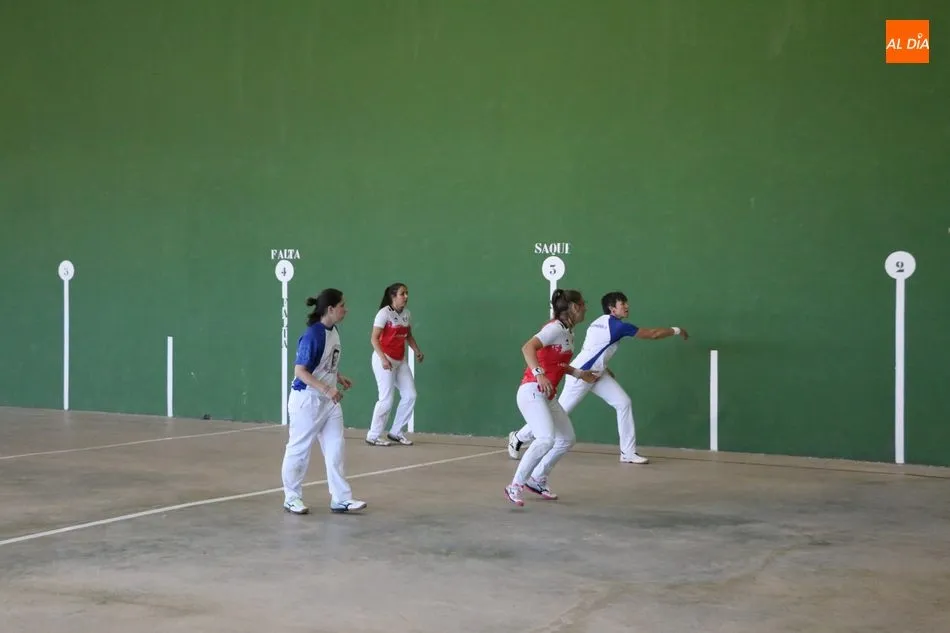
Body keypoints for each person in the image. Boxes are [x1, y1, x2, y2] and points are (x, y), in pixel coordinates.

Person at [506, 291, 688, 465]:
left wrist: (604, 368)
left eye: (626, 303)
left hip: (596, 374)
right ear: (612, 308)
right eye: (622, 303)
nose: (627, 306)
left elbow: (595, 349)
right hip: (580, 375)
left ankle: (628, 452)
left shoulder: (598, 323)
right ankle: (518, 437)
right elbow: (653, 334)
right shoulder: (618, 326)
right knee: (560, 414)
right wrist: (677, 330)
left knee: (623, 403)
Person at [505, 289, 598, 507]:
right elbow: (527, 347)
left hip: (548, 395)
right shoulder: (554, 328)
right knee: (546, 439)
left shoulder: (568, 333)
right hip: (531, 390)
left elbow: (559, 363)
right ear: (573, 307)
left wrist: (579, 374)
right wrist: (539, 374)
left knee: (566, 439)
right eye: (583, 304)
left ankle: (537, 479)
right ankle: (515, 486)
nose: (585, 308)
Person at [281, 288, 367, 515]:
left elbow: (324, 364)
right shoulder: (313, 335)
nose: (345, 310)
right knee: (299, 450)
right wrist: (327, 389)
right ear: (330, 309)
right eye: (342, 306)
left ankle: (341, 499)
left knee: (336, 448)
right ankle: (292, 497)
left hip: (329, 403)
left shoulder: (334, 331)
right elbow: (300, 371)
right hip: (307, 401)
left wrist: (338, 377)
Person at [366, 282, 424, 446]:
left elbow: (408, 335)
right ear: (393, 296)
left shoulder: (406, 314)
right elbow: (374, 339)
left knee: (410, 395)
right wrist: (383, 359)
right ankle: (373, 435)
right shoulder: (384, 314)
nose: (406, 296)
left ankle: (396, 432)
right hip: (384, 359)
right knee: (386, 400)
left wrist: (417, 351)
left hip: (400, 360)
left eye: (407, 293)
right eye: (402, 293)